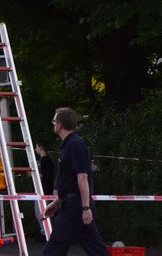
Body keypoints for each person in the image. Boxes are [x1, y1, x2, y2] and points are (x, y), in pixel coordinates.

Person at [42, 107, 110, 256]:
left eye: (54, 121)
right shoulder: (69, 144)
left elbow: (82, 177)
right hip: (74, 203)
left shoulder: (74, 144)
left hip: (75, 206)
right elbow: (70, 181)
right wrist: (56, 202)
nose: (53, 124)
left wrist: (85, 208)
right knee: (95, 247)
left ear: (59, 124)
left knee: (55, 247)